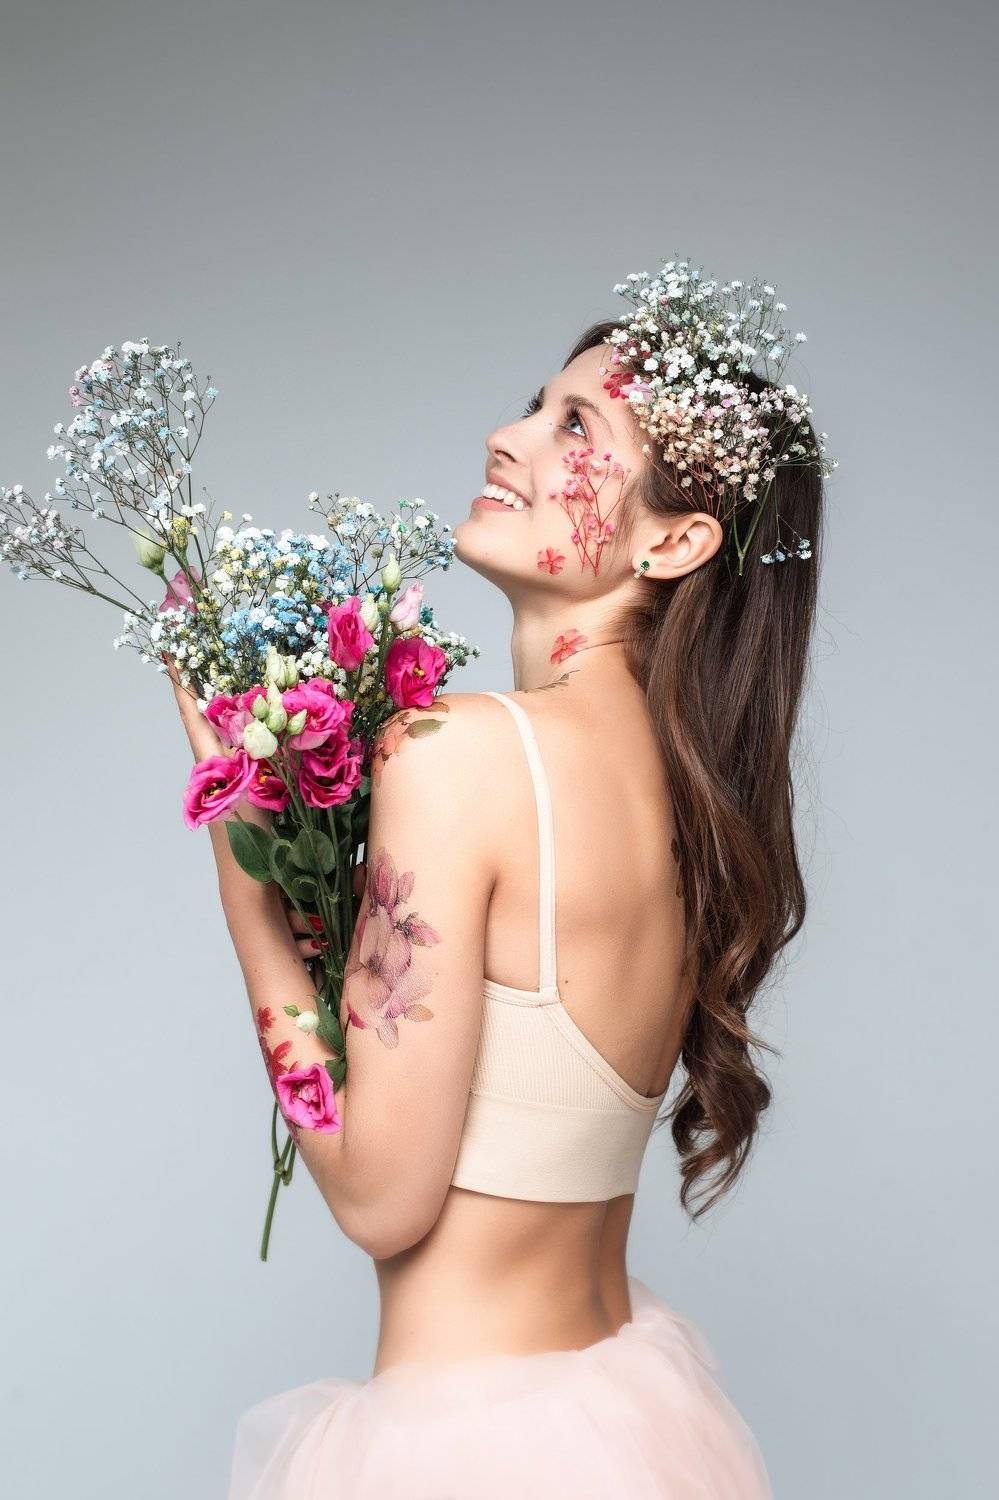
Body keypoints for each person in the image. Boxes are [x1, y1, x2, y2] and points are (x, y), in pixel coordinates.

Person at [170, 269, 826, 1497]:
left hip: (462, 1453)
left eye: (576, 425)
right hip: (627, 1419)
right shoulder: (693, 810)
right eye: (536, 404)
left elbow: (381, 1199)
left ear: (676, 540)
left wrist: (248, 889)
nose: (506, 437)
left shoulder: (461, 752)